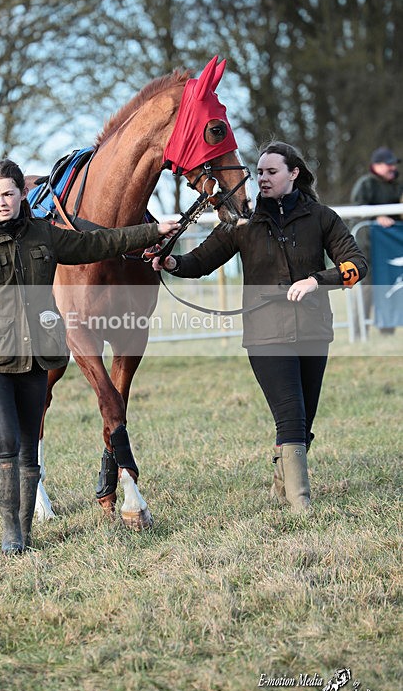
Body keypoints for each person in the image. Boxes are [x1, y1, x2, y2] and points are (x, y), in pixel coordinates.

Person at [0, 158, 179, 555]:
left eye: (8, 194)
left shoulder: (46, 236)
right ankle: (10, 532)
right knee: (7, 439)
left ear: (22, 194)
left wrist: (154, 230)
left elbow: (100, 243)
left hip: (35, 357)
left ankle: (24, 531)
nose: (1, 202)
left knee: (29, 444)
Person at [153, 141, 368, 513]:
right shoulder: (242, 222)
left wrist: (317, 279)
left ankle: (281, 487)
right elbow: (199, 262)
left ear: (293, 174)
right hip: (266, 334)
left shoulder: (322, 217)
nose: (262, 178)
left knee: (304, 420)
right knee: (291, 415)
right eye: (261, 171)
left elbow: (356, 264)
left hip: (315, 332)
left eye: (272, 171)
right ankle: (302, 505)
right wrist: (171, 263)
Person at [350, 147, 402, 333]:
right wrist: (376, 217)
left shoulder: (397, 185)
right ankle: (358, 331)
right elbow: (357, 211)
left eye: (393, 164)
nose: (392, 168)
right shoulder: (366, 184)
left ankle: (387, 330)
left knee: (391, 287)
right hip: (368, 247)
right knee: (369, 288)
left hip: (390, 248)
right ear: (376, 166)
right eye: (388, 164)